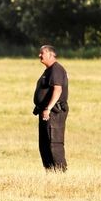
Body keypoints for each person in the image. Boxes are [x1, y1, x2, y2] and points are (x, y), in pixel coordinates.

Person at [33, 44, 69, 172]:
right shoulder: (48, 70)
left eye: (42, 53)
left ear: (50, 54)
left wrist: (48, 108)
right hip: (45, 112)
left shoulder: (56, 69)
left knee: (54, 143)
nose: (39, 55)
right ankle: (50, 172)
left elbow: (57, 90)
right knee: (44, 144)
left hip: (54, 112)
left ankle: (60, 173)